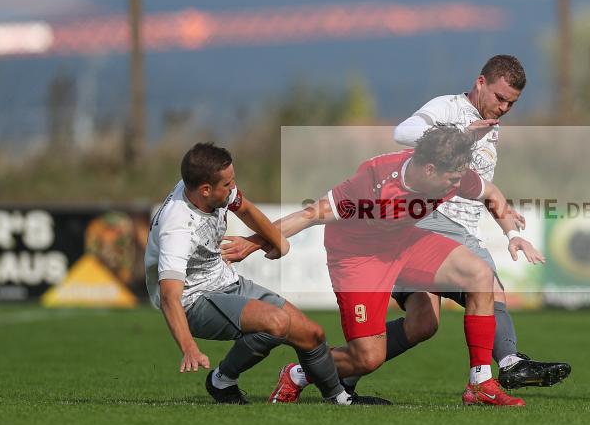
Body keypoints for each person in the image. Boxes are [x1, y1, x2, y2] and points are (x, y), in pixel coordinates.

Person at [225, 126, 545, 406]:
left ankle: (480, 384)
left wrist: (513, 234)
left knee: (477, 276)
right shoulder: (373, 182)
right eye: (453, 179)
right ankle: (297, 374)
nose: (458, 184)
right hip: (358, 256)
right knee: (367, 358)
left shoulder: (453, 173)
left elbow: (489, 192)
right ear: (429, 170)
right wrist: (254, 242)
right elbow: (309, 215)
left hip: (403, 242)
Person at [355, 54, 570, 392]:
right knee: (486, 283)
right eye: (499, 98)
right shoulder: (450, 109)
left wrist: (511, 233)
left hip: (445, 228)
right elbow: (402, 132)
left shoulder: (490, 127)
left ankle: (324, 374)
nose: (503, 108)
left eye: (511, 104)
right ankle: (507, 366)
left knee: (422, 324)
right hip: (429, 220)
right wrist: (459, 134)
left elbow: (482, 188)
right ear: (480, 83)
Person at [145, 142, 383, 405]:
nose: (233, 188)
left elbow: (245, 209)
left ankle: (339, 398)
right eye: (228, 184)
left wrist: (278, 242)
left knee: (312, 334)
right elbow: (169, 296)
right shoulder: (177, 228)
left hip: (225, 280)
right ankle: (222, 381)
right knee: (276, 322)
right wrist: (189, 347)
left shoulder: (208, 188)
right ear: (205, 190)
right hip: (192, 301)